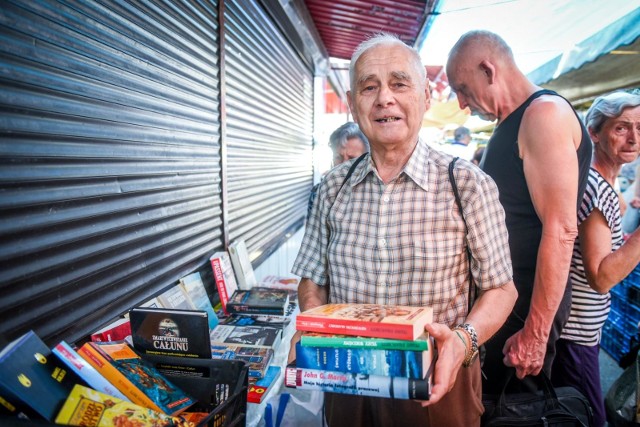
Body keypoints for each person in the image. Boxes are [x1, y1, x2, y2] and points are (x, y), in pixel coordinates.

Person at [291, 33, 518, 427]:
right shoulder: (331, 187)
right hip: (348, 381)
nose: (384, 99)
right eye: (369, 87)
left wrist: (462, 340)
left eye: (399, 83)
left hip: (438, 383)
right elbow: (313, 278)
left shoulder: (466, 184)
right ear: (352, 103)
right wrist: (316, 326)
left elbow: (501, 289)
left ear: (426, 97)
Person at [446, 30, 592, 393]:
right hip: (504, 301)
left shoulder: (543, 114)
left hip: (524, 306)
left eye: (463, 88)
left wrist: (536, 333)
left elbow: (561, 230)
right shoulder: (511, 122)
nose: (463, 104)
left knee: (516, 412)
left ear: (488, 70)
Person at [551, 91, 640, 427]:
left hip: (574, 331)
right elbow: (601, 276)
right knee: (589, 420)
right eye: (621, 128)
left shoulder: (597, 182)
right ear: (594, 133)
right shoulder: (596, 187)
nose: (633, 138)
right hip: (576, 333)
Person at [307, 122, 369, 218]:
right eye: (338, 157)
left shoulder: (375, 194)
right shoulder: (319, 193)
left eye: (352, 158)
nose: (344, 165)